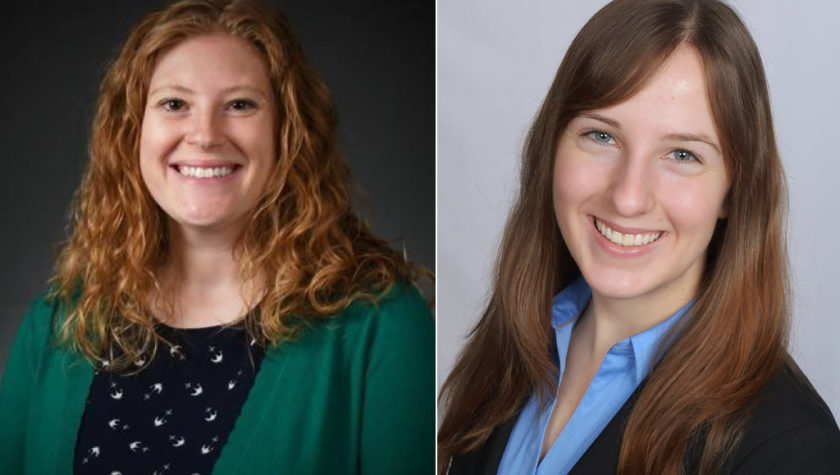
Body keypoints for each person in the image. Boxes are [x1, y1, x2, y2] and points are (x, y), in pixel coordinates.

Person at [0, 0, 434, 473]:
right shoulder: (59, 322)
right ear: (131, 132)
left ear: (286, 132)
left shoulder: (379, 326)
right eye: (174, 104)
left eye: (240, 105)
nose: (204, 134)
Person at [438, 0, 840, 473]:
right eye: (601, 136)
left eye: (683, 155)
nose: (628, 198)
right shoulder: (511, 350)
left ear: (735, 191)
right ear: (552, 145)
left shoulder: (789, 449)